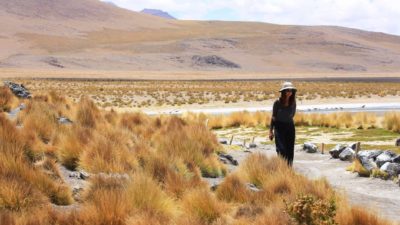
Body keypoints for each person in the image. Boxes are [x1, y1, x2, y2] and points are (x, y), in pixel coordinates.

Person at [269, 81, 297, 166]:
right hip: (279, 127)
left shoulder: (293, 102)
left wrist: (287, 120)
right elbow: (273, 117)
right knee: (281, 149)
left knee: (289, 149)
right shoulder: (277, 102)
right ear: (283, 92)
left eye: (290, 90)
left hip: (290, 127)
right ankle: (282, 167)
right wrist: (271, 131)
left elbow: (292, 115)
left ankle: (288, 168)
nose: (289, 92)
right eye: (287, 90)